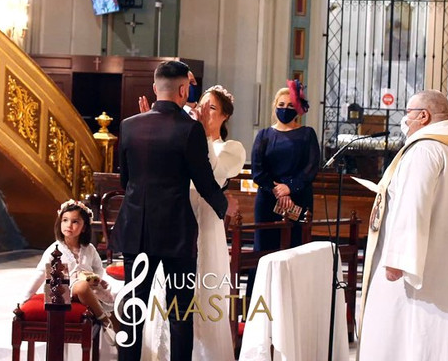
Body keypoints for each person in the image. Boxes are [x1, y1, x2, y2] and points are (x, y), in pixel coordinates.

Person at [114, 60, 235, 361]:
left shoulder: (129, 126)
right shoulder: (190, 129)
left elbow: (125, 179)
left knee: (133, 311)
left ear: (156, 89)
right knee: (180, 314)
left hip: (136, 231)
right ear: (183, 90)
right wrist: (224, 205)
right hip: (176, 236)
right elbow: (204, 180)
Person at [357, 90, 448, 361]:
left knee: (403, 334)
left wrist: (398, 260)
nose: (404, 120)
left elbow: (413, 205)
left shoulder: (425, 150)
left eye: (408, 113)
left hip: (415, 267)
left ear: (423, 116)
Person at [141, 85, 245, 360]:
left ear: (225, 117)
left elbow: (214, 176)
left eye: (211, 108)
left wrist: (198, 134)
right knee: (171, 298)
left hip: (207, 226)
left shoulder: (231, 149)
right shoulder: (183, 140)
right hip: (176, 224)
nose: (202, 112)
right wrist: (154, 131)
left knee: (205, 293)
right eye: (200, 105)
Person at [24, 199, 118, 343]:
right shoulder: (54, 249)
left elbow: (99, 268)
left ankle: (120, 342)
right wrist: (25, 298)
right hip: (62, 290)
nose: (69, 225)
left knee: (114, 300)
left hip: (87, 288)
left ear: (84, 227)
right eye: (65, 220)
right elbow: (39, 273)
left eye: (75, 222)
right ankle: (103, 319)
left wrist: (96, 278)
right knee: (81, 286)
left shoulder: (89, 249)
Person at [251, 80, 320, 250]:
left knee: (296, 248)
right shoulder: (264, 135)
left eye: (290, 105)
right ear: (274, 106)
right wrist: (277, 190)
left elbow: (311, 167)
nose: (285, 108)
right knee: (265, 248)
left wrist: (289, 187)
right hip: (268, 199)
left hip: (299, 198)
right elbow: (257, 170)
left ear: (297, 108)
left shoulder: (307, 134)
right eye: (281, 104)